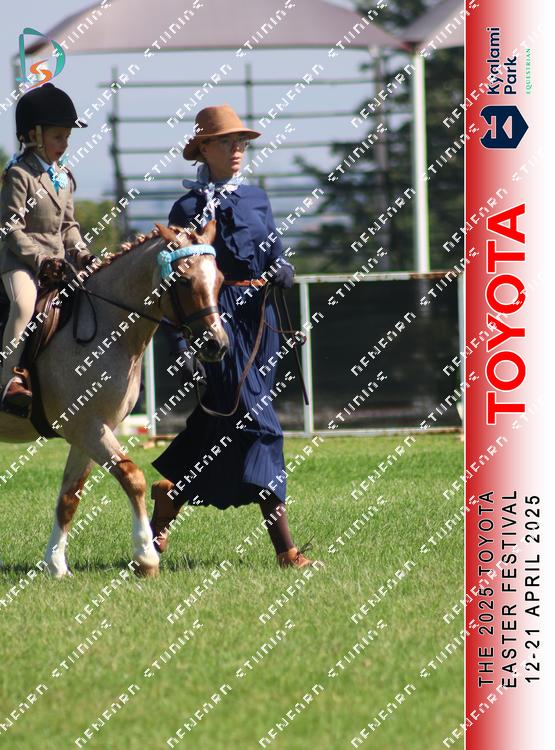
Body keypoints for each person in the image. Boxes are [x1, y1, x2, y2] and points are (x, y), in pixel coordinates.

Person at [150, 104, 316, 568]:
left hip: (262, 323)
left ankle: (167, 503)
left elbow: (275, 249)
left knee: (220, 428)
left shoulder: (257, 198)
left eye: (241, 142)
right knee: (262, 426)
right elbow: (180, 281)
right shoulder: (185, 209)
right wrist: (181, 343)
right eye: (226, 142)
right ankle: (287, 552)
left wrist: (283, 269)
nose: (237, 149)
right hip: (216, 324)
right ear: (205, 148)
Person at [0, 83, 96, 415]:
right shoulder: (19, 175)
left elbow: (69, 226)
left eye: (67, 137)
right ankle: (8, 381)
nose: (64, 143)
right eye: (58, 137)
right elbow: (10, 227)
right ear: (34, 135)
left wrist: (81, 252)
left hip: (58, 263)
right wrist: (39, 260)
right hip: (20, 263)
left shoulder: (63, 176)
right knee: (24, 305)